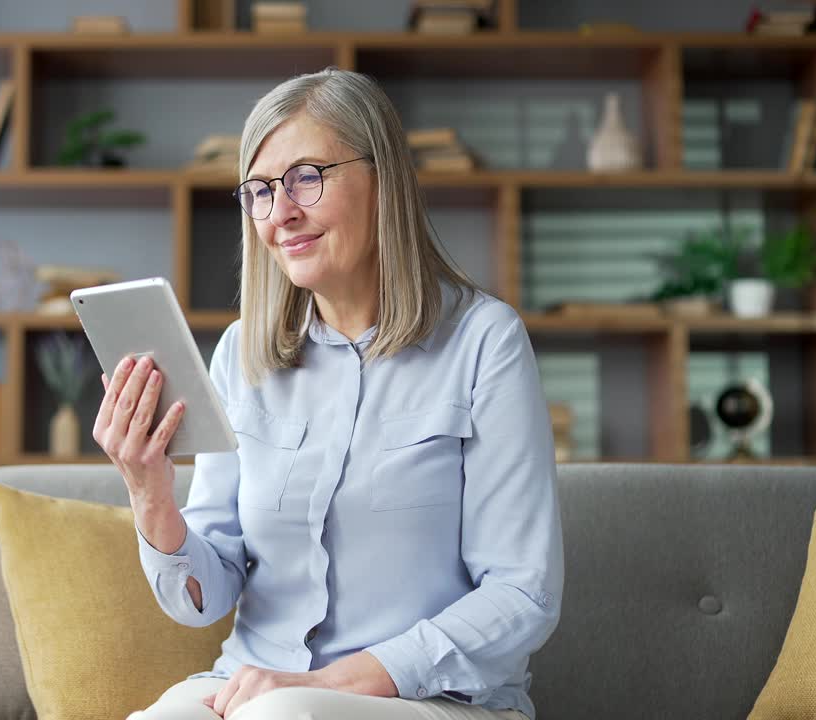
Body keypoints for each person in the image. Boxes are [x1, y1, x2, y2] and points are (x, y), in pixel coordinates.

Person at [93, 67, 563, 720]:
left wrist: (334, 685)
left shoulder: (485, 342)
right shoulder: (240, 354)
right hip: (251, 685)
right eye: (259, 190)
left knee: (284, 717)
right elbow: (203, 594)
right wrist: (149, 492)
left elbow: (523, 592)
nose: (280, 213)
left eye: (306, 178)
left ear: (383, 179)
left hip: (433, 700)